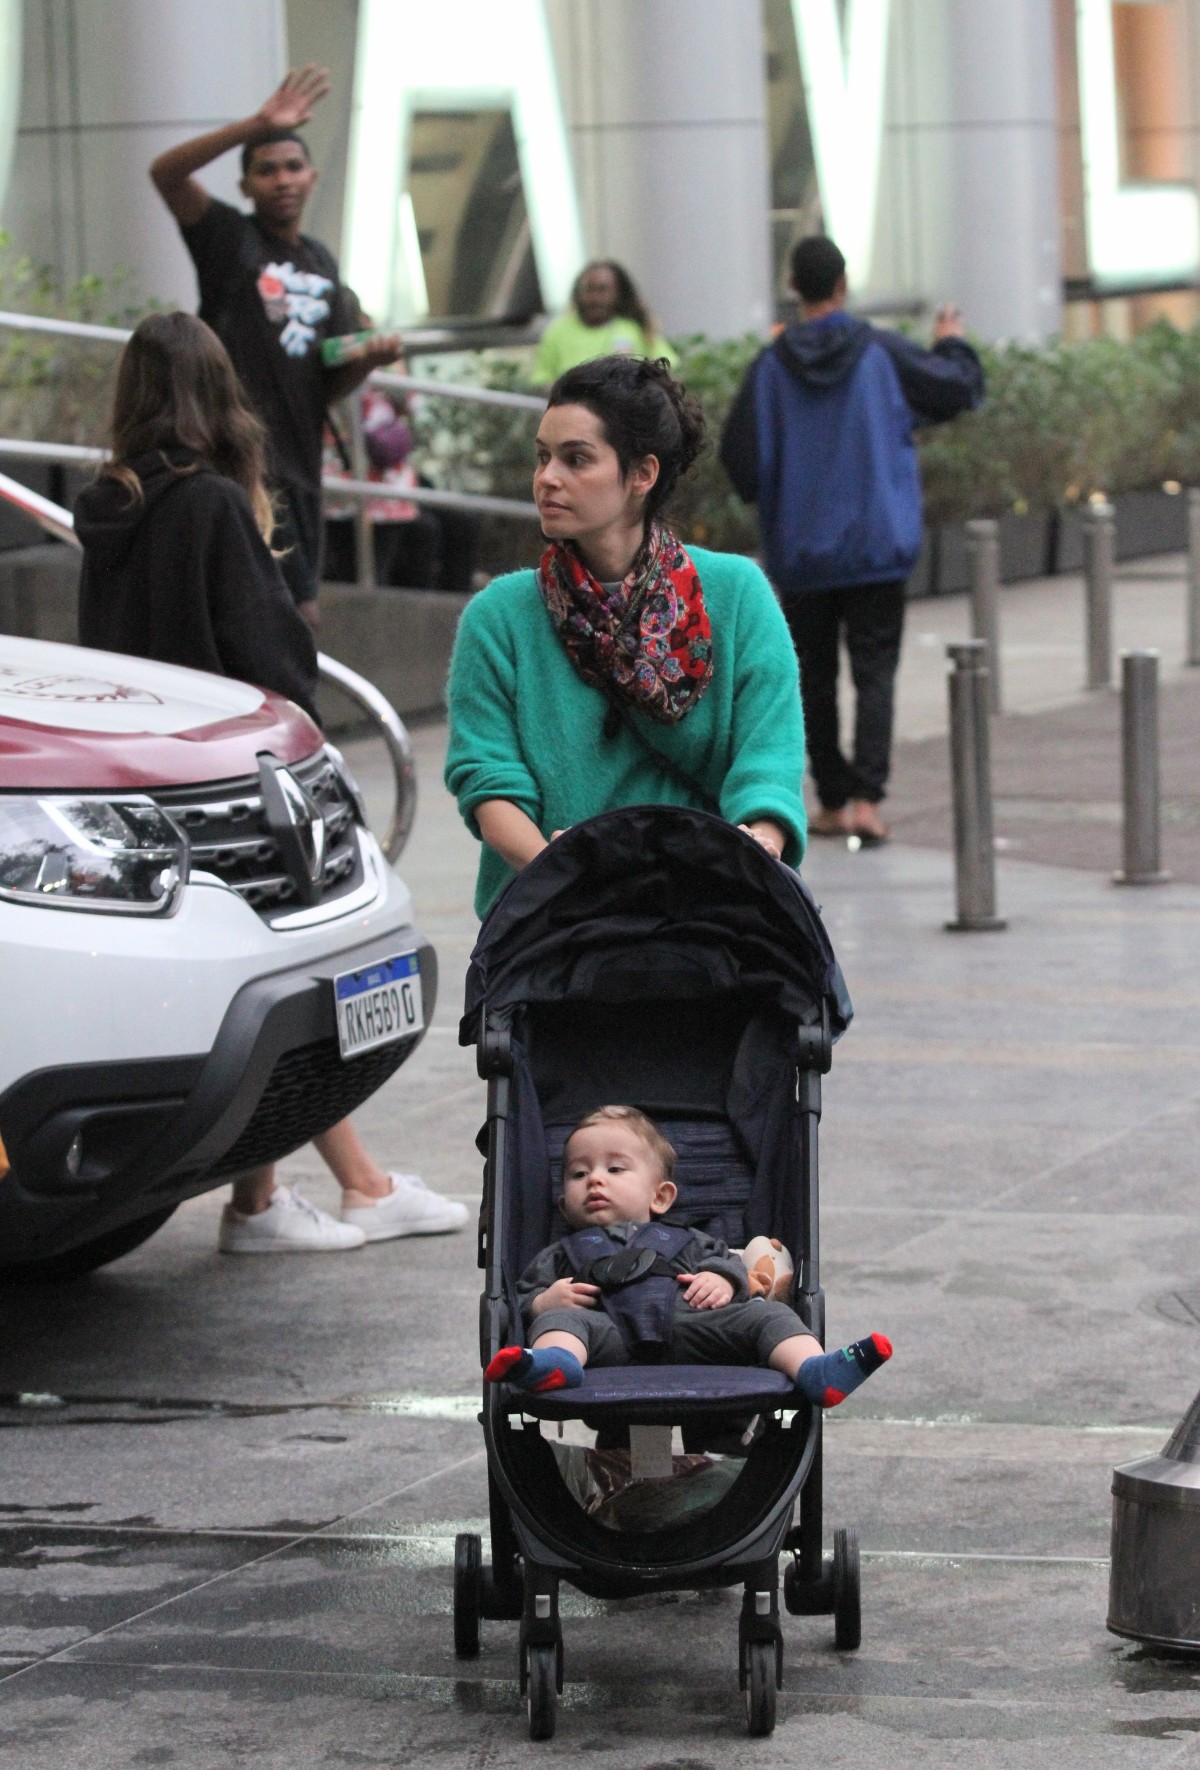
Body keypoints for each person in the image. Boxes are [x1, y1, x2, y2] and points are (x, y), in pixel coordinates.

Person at [75, 312, 468, 1255]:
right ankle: (326, 1194)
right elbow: (272, 648)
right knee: (293, 979)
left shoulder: (108, 503)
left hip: (142, 776)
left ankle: (288, 1196)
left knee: (259, 982)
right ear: (220, 395)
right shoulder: (210, 503)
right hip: (233, 775)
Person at [445, 354, 807, 920]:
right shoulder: (499, 618)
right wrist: (562, 874)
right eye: (542, 457)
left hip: (710, 918)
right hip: (554, 925)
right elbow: (488, 782)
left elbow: (770, 760)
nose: (547, 478)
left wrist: (754, 850)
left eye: (576, 459)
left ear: (642, 473)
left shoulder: (737, 596)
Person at [720, 235, 984, 844]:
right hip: (875, 546)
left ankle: (833, 801)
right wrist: (951, 341)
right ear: (841, 286)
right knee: (875, 674)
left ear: (795, 287)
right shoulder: (881, 353)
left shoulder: (770, 367)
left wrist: (783, 496)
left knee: (811, 677)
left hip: (802, 553)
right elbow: (956, 388)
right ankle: (868, 801)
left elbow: (740, 459)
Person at [149, 64, 402, 625]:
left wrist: (370, 362)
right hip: (233, 456)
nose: (282, 179)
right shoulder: (228, 239)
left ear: (312, 177)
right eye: (266, 170)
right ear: (245, 186)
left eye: (293, 167)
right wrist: (256, 123)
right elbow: (165, 173)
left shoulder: (323, 263)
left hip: (300, 465)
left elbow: (326, 378)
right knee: (252, 611)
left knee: (299, 613)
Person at [485, 1106, 891, 1403]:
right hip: (604, 1334)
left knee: (767, 1314)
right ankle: (556, 1363)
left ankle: (814, 1369)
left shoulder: (683, 1238)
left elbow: (728, 1260)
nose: (594, 1179)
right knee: (560, 1319)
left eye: (615, 1170)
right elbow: (520, 1296)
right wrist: (542, 1301)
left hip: (693, 1324)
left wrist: (721, 1279)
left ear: (660, 1196)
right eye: (578, 1174)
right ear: (562, 1206)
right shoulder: (561, 1254)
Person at [531, 262, 676, 386]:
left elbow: (667, 367)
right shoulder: (558, 331)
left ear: (618, 294)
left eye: (602, 290)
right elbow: (540, 379)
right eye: (588, 289)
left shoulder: (634, 328)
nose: (594, 298)